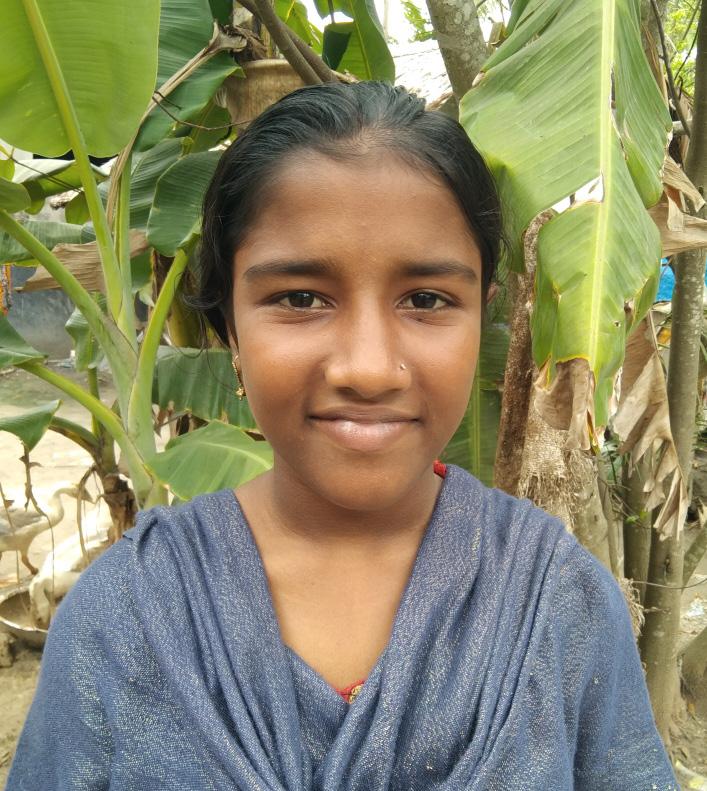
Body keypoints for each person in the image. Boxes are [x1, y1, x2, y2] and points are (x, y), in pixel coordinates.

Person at [7, 82, 676, 790]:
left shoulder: (559, 604)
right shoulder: (127, 617)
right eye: (300, 298)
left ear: (482, 315)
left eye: (426, 300)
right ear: (229, 328)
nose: (367, 368)